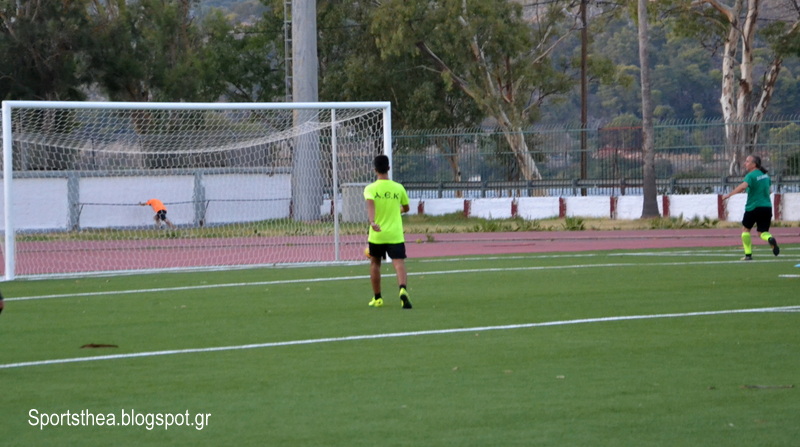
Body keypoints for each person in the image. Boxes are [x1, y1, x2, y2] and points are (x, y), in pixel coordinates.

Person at [364, 154, 412, 309]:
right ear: (388, 168)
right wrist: (398, 210)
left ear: (375, 170)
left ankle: (377, 298)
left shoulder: (370, 188)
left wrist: (372, 222)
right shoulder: (398, 188)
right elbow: (406, 208)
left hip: (377, 234)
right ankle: (402, 289)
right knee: (399, 263)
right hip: (395, 234)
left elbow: (370, 206)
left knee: (375, 263)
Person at [722, 154, 779, 260]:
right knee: (762, 232)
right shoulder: (766, 176)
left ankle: (748, 255)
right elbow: (769, 191)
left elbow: (743, 186)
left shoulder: (750, 176)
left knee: (745, 230)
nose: (745, 163)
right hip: (767, 207)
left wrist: (729, 195)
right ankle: (770, 238)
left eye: (747, 161)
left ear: (754, 164)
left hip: (753, 207)